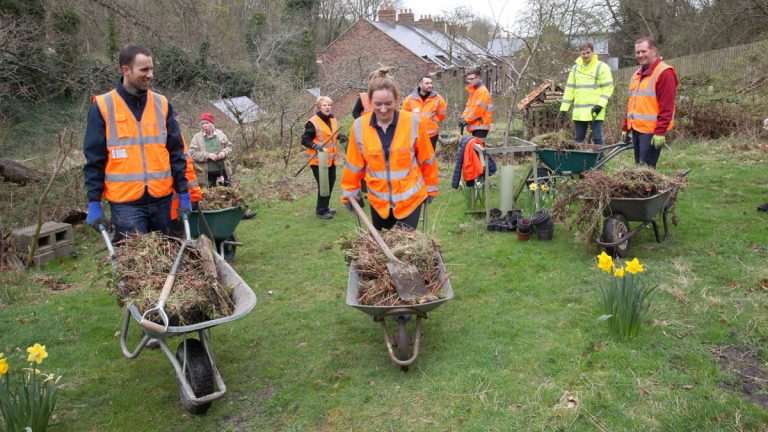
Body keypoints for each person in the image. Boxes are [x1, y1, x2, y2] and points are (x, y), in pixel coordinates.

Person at [83, 44, 189, 242]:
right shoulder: (103, 107)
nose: (150, 75)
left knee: (165, 255)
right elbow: (94, 161)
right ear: (126, 70)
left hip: (162, 200)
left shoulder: (161, 104)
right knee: (135, 259)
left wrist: (183, 192)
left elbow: (176, 152)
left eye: (151, 69)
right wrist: (94, 202)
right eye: (144, 70)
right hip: (125, 205)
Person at [340, 68, 439, 230]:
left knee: (407, 244)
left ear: (397, 100)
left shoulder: (413, 123)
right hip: (378, 201)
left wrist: (431, 188)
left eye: (388, 103)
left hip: (410, 199)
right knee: (382, 243)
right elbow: (353, 164)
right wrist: (349, 191)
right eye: (378, 104)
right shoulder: (359, 126)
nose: (383, 109)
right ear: (370, 102)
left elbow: (427, 158)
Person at [621, 36, 678, 168]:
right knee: (639, 169)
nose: (640, 55)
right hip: (636, 129)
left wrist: (660, 131)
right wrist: (626, 127)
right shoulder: (636, 75)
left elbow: (667, 106)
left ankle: (651, 183)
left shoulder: (664, 73)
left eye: (643, 51)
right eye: (637, 52)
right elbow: (632, 104)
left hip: (652, 131)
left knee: (645, 170)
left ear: (653, 51)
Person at [559, 42, 614, 145]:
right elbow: (569, 89)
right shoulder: (575, 69)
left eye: (588, 52)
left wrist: (600, 105)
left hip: (596, 110)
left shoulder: (602, 67)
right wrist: (564, 108)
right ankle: (581, 156)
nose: (586, 55)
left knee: (597, 138)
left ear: (593, 52)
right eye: (583, 53)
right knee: (579, 139)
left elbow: (608, 88)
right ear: (580, 54)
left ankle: (600, 155)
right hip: (579, 112)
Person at [301, 96, 346, 219]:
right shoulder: (313, 122)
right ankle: (321, 211)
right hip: (318, 160)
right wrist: (315, 146)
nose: (327, 107)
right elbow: (305, 140)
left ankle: (324, 207)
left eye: (329, 105)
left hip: (331, 159)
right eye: (324, 105)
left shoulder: (333, 120)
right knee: (324, 185)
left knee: (330, 183)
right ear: (319, 107)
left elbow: (332, 135)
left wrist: (340, 137)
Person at [401, 75, 447, 150]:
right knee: (415, 156)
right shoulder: (409, 99)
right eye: (427, 83)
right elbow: (404, 116)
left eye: (431, 83)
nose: (430, 85)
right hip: (415, 136)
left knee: (430, 157)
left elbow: (442, 114)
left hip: (431, 135)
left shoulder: (438, 99)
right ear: (420, 84)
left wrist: (433, 121)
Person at [189, 112, 233, 187]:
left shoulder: (220, 134)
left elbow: (229, 147)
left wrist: (224, 153)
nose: (205, 125)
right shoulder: (197, 137)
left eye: (207, 123)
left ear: (211, 124)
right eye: (203, 123)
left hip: (223, 171)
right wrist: (208, 155)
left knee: (227, 192)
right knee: (211, 193)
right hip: (207, 175)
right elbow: (192, 153)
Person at [459, 68, 492, 138]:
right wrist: (463, 117)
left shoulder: (482, 91)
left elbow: (478, 111)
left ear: (478, 78)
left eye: (472, 79)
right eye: (468, 79)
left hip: (481, 126)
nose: (469, 81)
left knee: (477, 145)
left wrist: (466, 120)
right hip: (476, 125)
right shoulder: (474, 92)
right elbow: (468, 108)